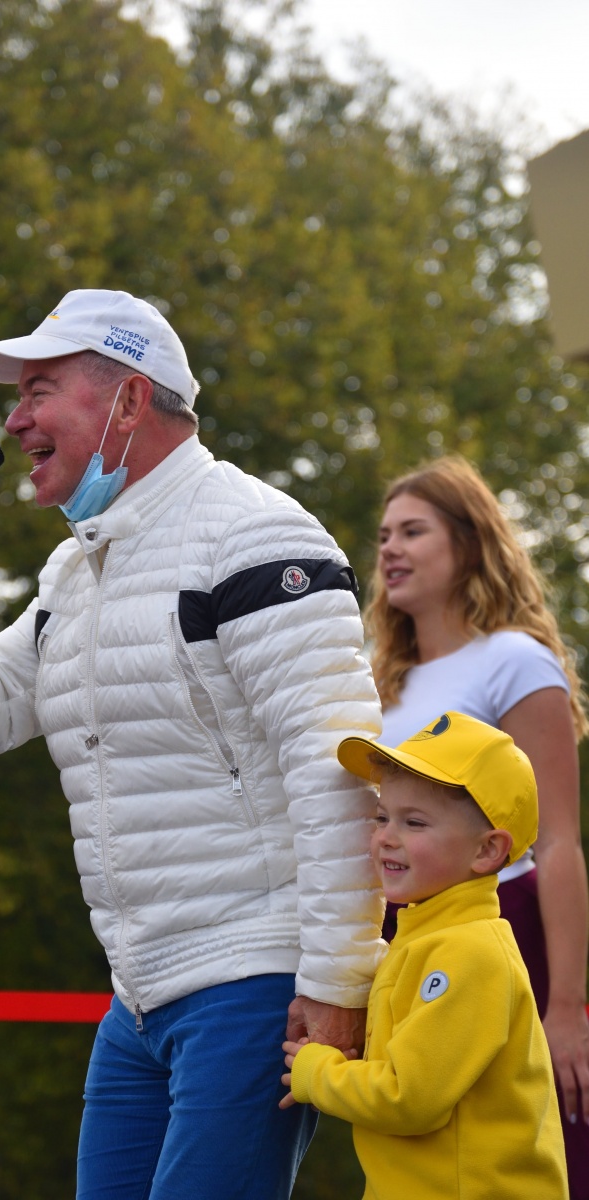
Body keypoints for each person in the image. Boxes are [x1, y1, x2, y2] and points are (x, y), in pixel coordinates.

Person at [0, 288, 384, 1199]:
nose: (14, 421)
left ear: (130, 400)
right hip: (138, 996)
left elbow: (334, 768)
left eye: (39, 391)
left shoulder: (256, 532)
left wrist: (337, 982)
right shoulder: (75, 568)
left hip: (253, 977)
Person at [366, 455, 589, 1197]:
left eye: (413, 531)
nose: (390, 549)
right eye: (383, 535)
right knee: (417, 1139)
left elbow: (557, 840)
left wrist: (566, 1008)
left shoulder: (513, 661)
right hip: (400, 933)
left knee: (521, 1142)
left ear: (468, 543)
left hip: (503, 926)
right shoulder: (381, 678)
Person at [281, 710, 569, 1200]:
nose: (386, 837)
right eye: (382, 817)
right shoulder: (427, 939)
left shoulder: (468, 953)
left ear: (487, 851)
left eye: (414, 822)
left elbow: (409, 1098)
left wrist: (318, 1073)